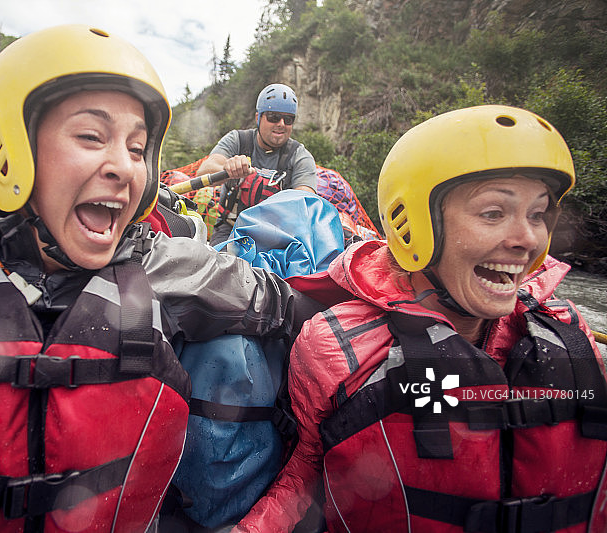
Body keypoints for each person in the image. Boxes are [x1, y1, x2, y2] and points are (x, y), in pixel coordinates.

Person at [0, 24, 324, 532]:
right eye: (91, 137)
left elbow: (280, 301)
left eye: (138, 149)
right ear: (10, 145)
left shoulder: (164, 263)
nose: (122, 166)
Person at [234, 105, 607, 532]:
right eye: (493, 213)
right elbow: (305, 473)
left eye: (537, 214)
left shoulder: (567, 327)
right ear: (412, 224)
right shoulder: (335, 347)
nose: (528, 239)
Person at [196, 83, 317, 245]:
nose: (281, 124)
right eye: (273, 117)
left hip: (278, 236)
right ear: (258, 118)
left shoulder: (300, 155)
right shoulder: (237, 140)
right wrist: (227, 168)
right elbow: (204, 171)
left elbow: (306, 199)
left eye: (288, 119)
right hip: (230, 229)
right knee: (219, 267)